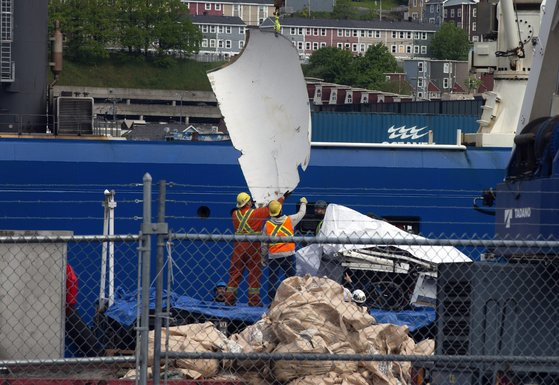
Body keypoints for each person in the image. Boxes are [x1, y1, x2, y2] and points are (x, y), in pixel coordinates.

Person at [226, 191, 289, 306]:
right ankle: (254, 301)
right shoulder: (256, 213)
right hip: (253, 247)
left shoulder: (234, 214)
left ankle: (229, 300)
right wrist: (283, 198)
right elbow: (271, 207)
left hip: (238, 247)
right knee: (254, 273)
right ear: (248, 202)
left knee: (235, 273)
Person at [262, 197, 307, 304]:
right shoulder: (290, 220)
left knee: (273, 279)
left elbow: (264, 244)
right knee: (291, 278)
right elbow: (302, 213)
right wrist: (303, 203)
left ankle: (271, 303)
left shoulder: (267, 225)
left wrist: (263, 257)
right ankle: (293, 300)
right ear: (281, 209)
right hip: (288, 255)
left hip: (273, 256)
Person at [66, 264, 103, 357]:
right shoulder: (63, 266)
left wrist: (69, 304)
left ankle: (97, 355)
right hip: (66, 305)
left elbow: (72, 280)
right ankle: (98, 355)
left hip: (65, 306)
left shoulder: (63, 266)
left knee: (76, 324)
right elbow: (72, 280)